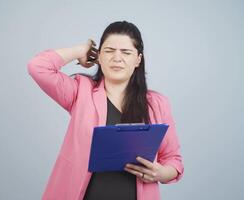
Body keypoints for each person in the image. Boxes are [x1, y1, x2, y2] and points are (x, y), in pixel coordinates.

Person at [27, 20, 184, 200]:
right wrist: (80, 50)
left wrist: (160, 173)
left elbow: (173, 160)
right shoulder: (80, 91)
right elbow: (37, 66)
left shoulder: (157, 104)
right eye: (109, 51)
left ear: (138, 60)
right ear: (99, 56)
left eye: (126, 52)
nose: (117, 58)